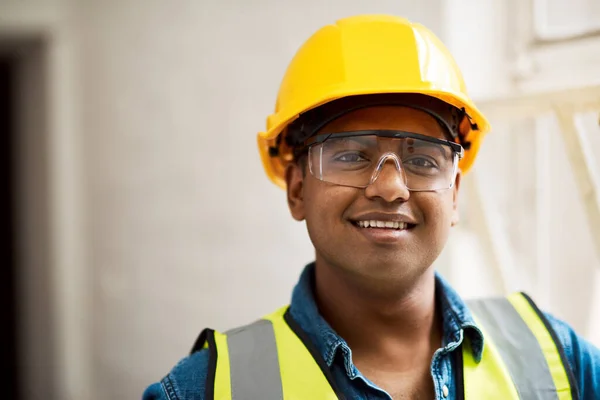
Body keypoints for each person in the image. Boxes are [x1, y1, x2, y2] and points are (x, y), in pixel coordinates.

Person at [143, 14, 600, 399]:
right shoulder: (201, 390)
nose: (389, 187)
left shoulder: (560, 361)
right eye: (350, 155)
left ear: (455, 194)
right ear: (296, 189)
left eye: (422, 159)